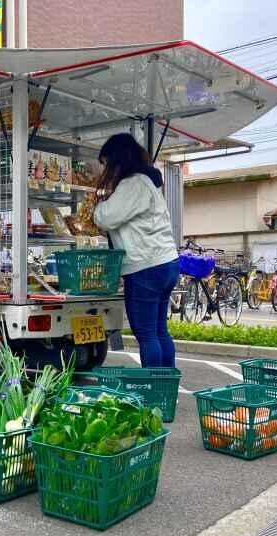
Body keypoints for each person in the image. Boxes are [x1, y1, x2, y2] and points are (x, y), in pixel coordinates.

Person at [93, 133, 179, 368]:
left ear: (116, 159)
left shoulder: (132, 184)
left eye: (106, 163)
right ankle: (166, 384)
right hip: (165, 262)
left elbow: (106, 217)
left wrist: (97, 207)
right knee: (160, 330)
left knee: (147, 335)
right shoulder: (148, 182)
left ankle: (154, 389)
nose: (105, 170)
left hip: (146, 267)